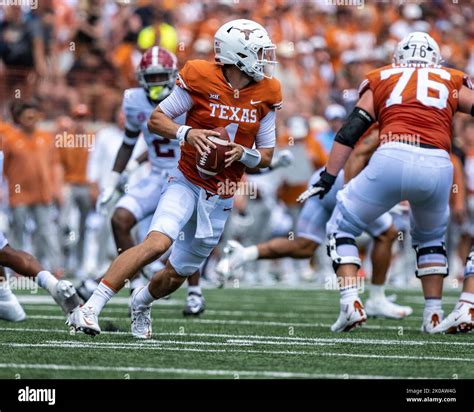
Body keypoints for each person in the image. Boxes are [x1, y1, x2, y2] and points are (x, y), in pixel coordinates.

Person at [67, 18, 282, 338]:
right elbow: (157, 120)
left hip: (221, 196)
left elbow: (266, 157)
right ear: (240, 54)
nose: (265, 59)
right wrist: (188, 133)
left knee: (176, 274)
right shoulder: (200, 75)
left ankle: (140, 302)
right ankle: (89, 309)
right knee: (157, 242)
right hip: (185, 180)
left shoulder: (268, 92)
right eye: (259, 52)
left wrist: (241, 153)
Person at [305, 32, 474, 333]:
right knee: (431, 239)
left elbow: (350, 130)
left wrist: (329, 176)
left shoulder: (382, 76)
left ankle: (351, 303)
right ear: (435, 59)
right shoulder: (450, 78)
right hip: (438, 163)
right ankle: (433, 316)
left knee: (341, 227)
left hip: (391, 158)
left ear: (398, 58)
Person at [217, 127, 413, 320]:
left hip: (325, 179)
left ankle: (243, 254)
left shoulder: (381, 122)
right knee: (385, 233)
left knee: (305, 246)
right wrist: (356, 195)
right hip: (344, 182)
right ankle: (369, 300)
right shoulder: (386, 124)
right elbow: (360, 155)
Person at [94, 46, 205, 316]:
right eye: (150, 77)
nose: (155, 83)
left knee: (192, 231)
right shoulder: (133, 100)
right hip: (156, 176)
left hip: (186, 174)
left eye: (160, 77)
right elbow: (129, 142)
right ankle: (136, 280)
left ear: (171, 76)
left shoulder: (186, 98)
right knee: (119, 218)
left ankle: (194, 292)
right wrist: (112, 180)